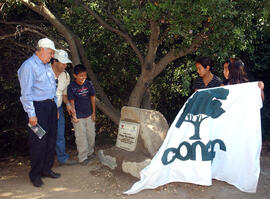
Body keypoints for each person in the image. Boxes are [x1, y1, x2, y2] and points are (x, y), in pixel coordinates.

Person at [17, 38, 61, 187]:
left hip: (50, 106)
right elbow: (26, 93)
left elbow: (51, 87)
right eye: (50, 53)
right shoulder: (28, 66)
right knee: (39, 141)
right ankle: (35, 174)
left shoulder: (47, 65)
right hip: (38, 109)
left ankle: (46, 169)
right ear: (41, 50)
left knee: (50, 140)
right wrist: (31, 114)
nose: (51, 57)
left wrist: (55, 106)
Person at [51, 49, 76, 166]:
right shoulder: (44, 72)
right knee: (42, 136)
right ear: (55, 61)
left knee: (60, 134)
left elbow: (64, 94)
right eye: (63, 63)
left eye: (66, 63)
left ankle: (62, 158)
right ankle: (45, 161)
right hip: (44, 109)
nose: (65, 65)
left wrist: (68, 104)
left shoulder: (65, 76)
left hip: (59, 109)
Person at [67, 64, 96, 165]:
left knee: (91, 135)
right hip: (78, 116)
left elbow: (92, 99)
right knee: (81, 137)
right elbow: (72, 102)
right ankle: (83, 157)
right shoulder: (71, 87)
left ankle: (90, 152)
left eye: (85, 75)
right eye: (81, 76)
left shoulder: (88, 84)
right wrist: (74, 116)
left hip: (89, 114)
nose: (83, 78)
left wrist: (93, 113)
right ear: (75, 75)